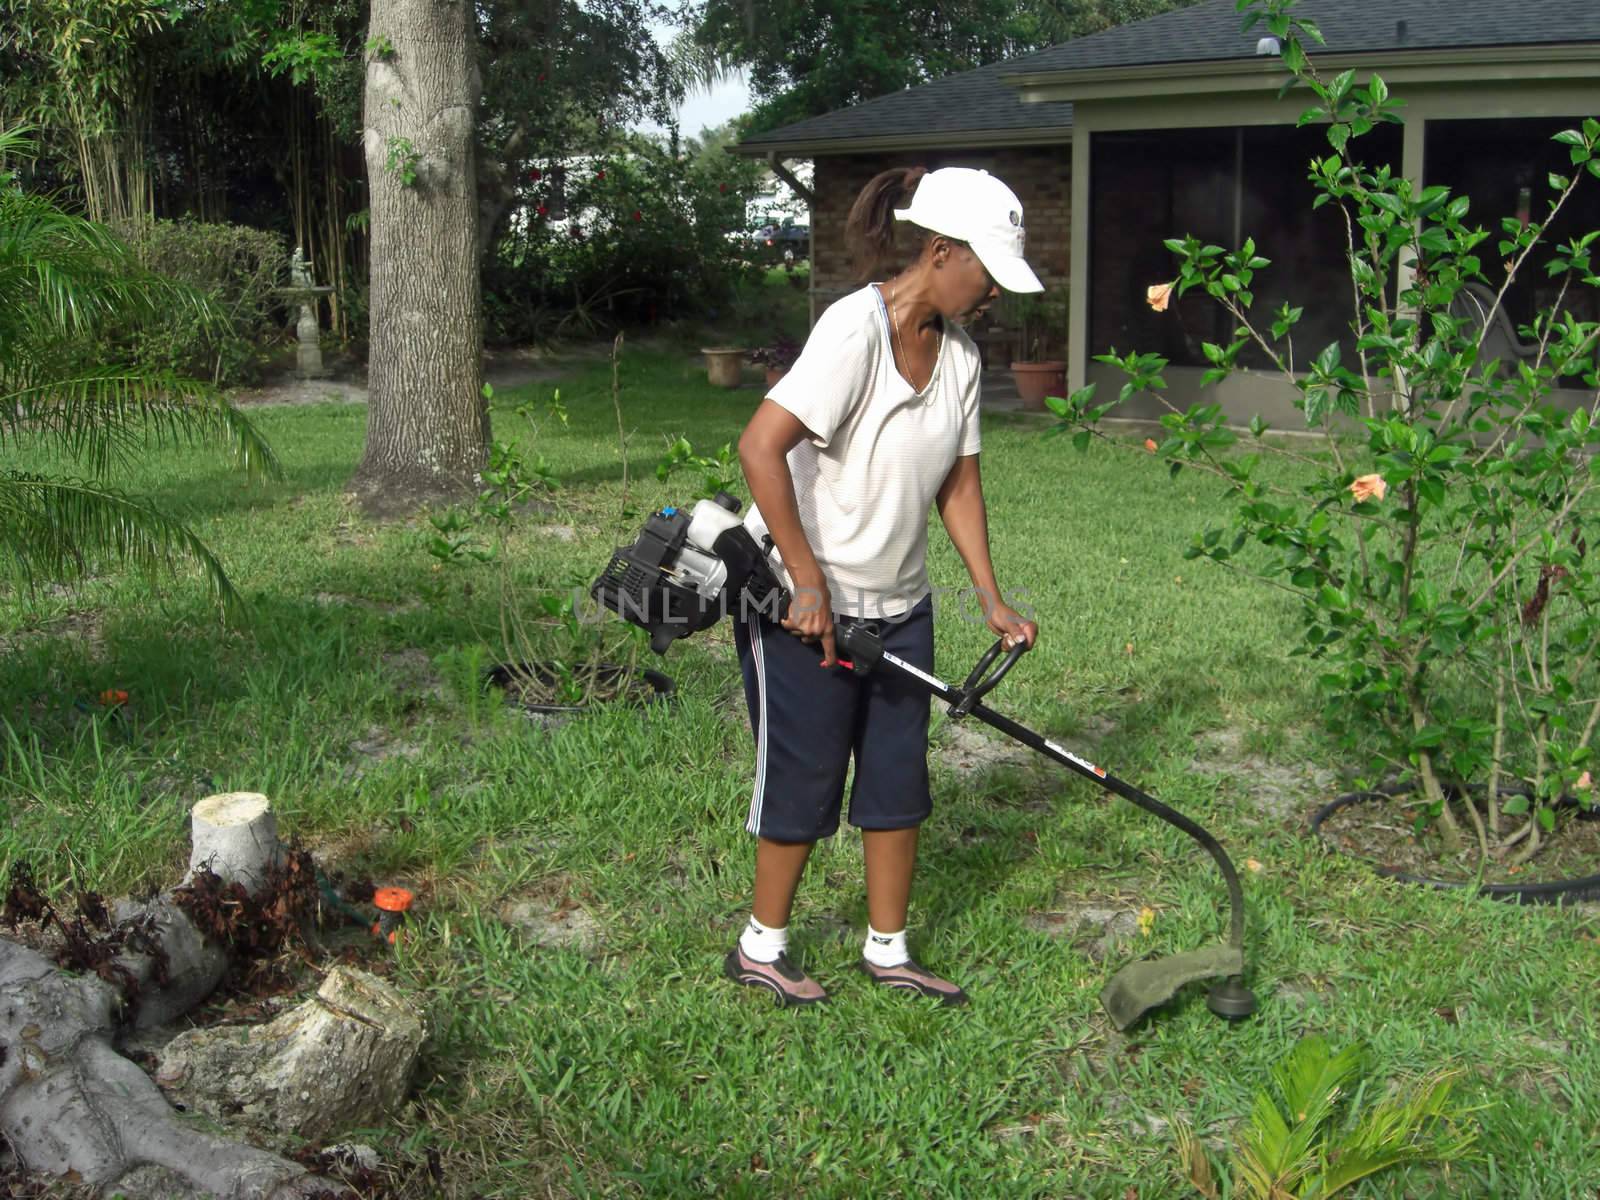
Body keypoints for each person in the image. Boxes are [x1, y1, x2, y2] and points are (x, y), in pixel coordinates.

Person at [725, 166, 1043, 1008]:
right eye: (985, 275)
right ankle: (762, 946)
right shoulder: (853, 331)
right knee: (807, 771)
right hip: (805, 609)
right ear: (941, 253)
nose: (991, 297)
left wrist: (991, 595)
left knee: (898, 778)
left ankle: (888, 949)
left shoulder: (963, 359)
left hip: (901, 606)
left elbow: (959, 484)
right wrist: (805, 579)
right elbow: (761, 449)